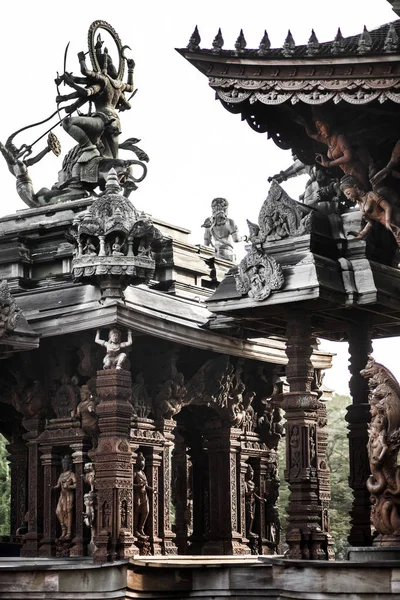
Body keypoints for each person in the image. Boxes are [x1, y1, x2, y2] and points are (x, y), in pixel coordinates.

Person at [56, 39, 135, 163]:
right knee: (114, 160)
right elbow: (130, 89)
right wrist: (131, 70)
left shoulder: (102, 80)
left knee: (67, 123)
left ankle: (88, 148)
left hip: (101, 120)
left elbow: (85, 87)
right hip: (115, 123)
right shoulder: (120, 85)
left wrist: (81, 59)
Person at [303, 119, 370, 192]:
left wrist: (328, 164)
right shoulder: (328, 141)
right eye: (318, 129)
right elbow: (311, 134)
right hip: (348, 173)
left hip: (356, 170)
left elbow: (348, 156)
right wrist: (304, 122)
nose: (320, 132)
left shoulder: (340, 138)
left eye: (320, 127)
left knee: (366, 192)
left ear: (327, 124)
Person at [340, 175, 400, 246]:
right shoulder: (360, 204)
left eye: (348, 193)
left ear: (355, 187)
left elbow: (387, 207)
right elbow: (371, 222)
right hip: (390, 225)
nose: (347, 197)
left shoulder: (371, 195)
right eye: (346, 195)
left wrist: (387, 221)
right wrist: (362, 233)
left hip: (395, 219)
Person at [54, 455, 76, 540]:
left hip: (69, 495)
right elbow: (58, 485)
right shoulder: (61, 475)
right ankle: (63, 528)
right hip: (62, 496)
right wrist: (52, 487)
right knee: (58, 511)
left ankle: (69, 532)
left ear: (69, 465)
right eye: (63, 464)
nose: (64, 466)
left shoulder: (72, 474)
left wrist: (69, 486)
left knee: (68, 511)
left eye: (66, 464)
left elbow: (76, 484)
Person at [133, 452, 153, 538]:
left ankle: (141, 527)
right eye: (141, 462)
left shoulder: (143, 473)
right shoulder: (134, 472)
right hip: (137, 494)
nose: (143, 465)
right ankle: (135, 529)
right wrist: (138, 486)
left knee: (146, 511)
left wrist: (151, 489)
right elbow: (129, 484)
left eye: (143, 463)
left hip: (144, 494)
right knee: (136, 512)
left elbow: (146, 485)